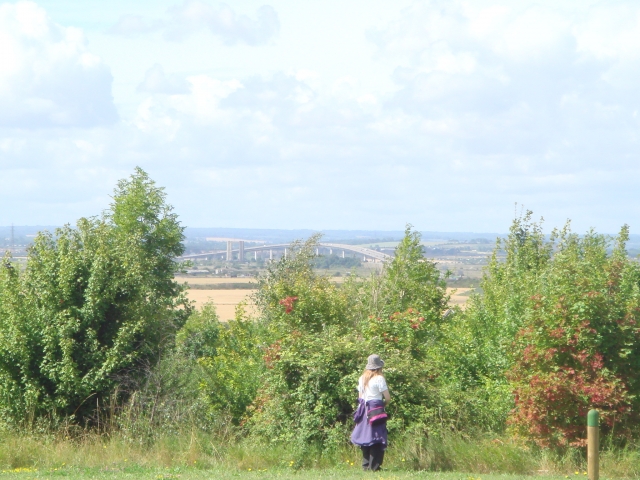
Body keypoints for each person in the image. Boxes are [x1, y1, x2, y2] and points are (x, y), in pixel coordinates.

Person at [350, 354, 390, 471]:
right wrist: (383, 405)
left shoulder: (362, 378)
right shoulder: (379, 379)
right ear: (379, 367)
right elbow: (387, 397)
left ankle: (366, 466)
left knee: (366, 436)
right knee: (377, 437)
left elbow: (360, 396)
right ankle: (374, 466)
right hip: (376, 408)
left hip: (363, 409)